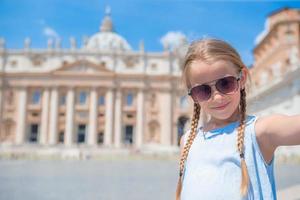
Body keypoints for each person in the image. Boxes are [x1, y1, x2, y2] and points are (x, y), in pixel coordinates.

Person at [175, 38, 300, 200]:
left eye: (225, 84)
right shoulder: (187, 141)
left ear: (242, 79)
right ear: (193, 96)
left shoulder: (259, 132)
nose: (217, 97)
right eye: (203, 91)